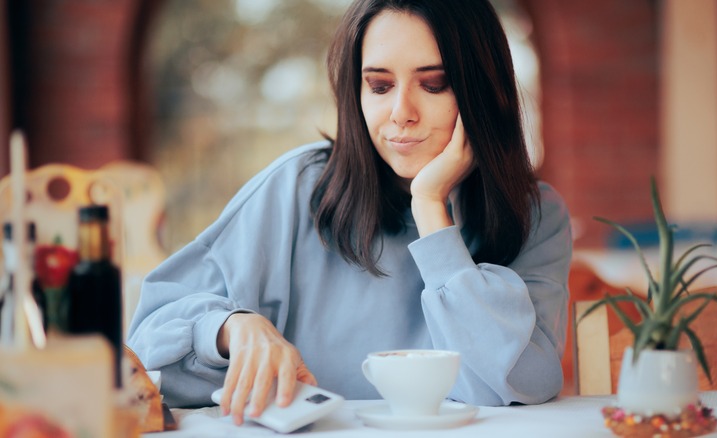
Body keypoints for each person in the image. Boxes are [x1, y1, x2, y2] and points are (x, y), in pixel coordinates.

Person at [127, 0, 572, 426]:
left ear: (483, 89)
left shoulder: (536, 214)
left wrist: (431, 210)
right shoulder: (298, 187)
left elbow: (526, 383)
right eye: (379, 86)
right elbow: (143, 349)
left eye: (434, 84)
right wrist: (231, 329)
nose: (401, 114)